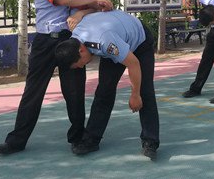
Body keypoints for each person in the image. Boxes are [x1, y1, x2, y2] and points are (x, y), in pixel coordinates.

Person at [0, 0, 113, 155]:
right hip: (45, 41)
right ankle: (16, 141)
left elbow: (96, 6)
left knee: (75, 93)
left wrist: (82, 12)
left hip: (72, 40)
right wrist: (94, 0)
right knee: (33, 91)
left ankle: (77, 138)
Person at [54, 10, 159, 160]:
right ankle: (91, 139)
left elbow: (133, 64)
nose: (80, 67)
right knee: (104, 91)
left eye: (79, 64)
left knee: (144, 91)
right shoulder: (77, 38)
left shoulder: (105, 42)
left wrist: (135, 95)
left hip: (139, 40)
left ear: (81, 50)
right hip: (117, 35)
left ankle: (150, 141)